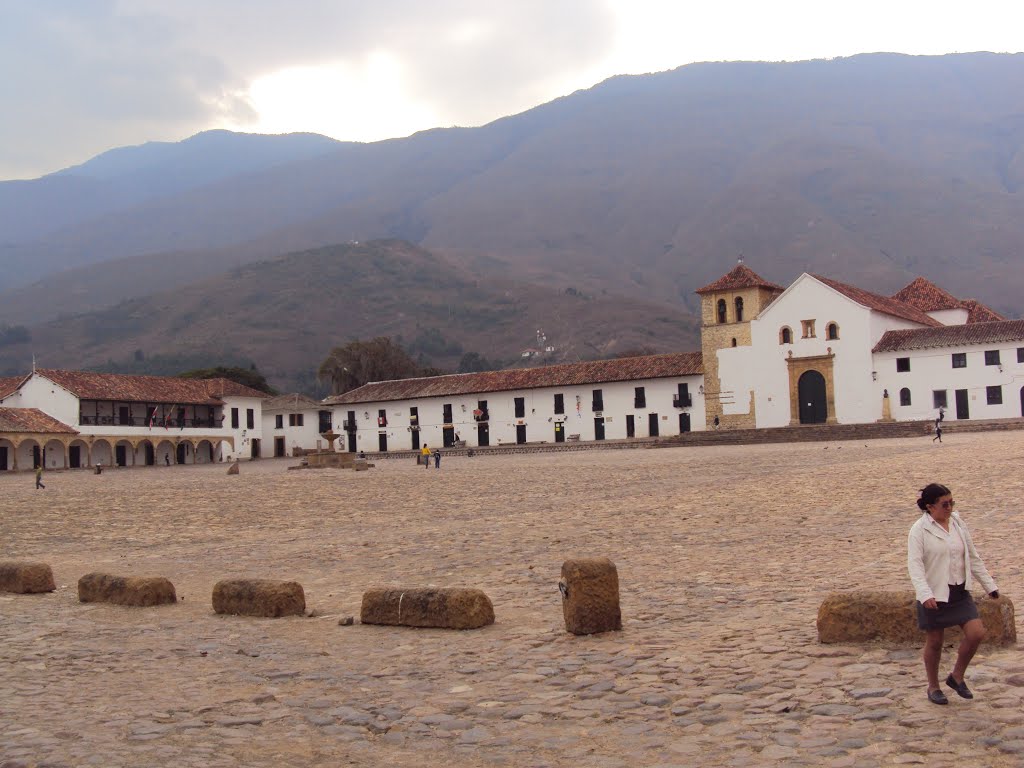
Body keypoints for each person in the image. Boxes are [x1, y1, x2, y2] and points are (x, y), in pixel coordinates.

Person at [908, 483, 999, 705]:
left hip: (959, 590)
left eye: (951, 502)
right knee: (935, 641)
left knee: (976, 633)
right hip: (935, 592)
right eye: (944, 504)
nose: (949, 508)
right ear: (930, 507)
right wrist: (924, 593)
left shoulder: (957, 522)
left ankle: (956, 677)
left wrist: (990, 585)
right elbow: (915, 565)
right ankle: (933, 686)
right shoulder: (919, 530)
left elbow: (973, 556)